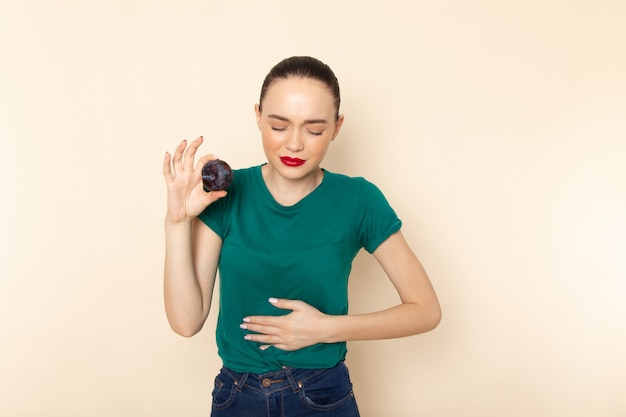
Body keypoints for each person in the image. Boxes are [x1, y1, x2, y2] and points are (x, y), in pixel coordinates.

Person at [162, 56, 441, 417]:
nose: (294, 144)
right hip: (237, 397)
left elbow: (425, 310)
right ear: (258, 116)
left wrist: (325, 329)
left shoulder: (359, 200)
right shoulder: (225, 195)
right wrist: (178, 222)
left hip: (322, 395)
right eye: (279, 125)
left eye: (314, 129)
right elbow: (186, 322)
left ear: (337, 127)